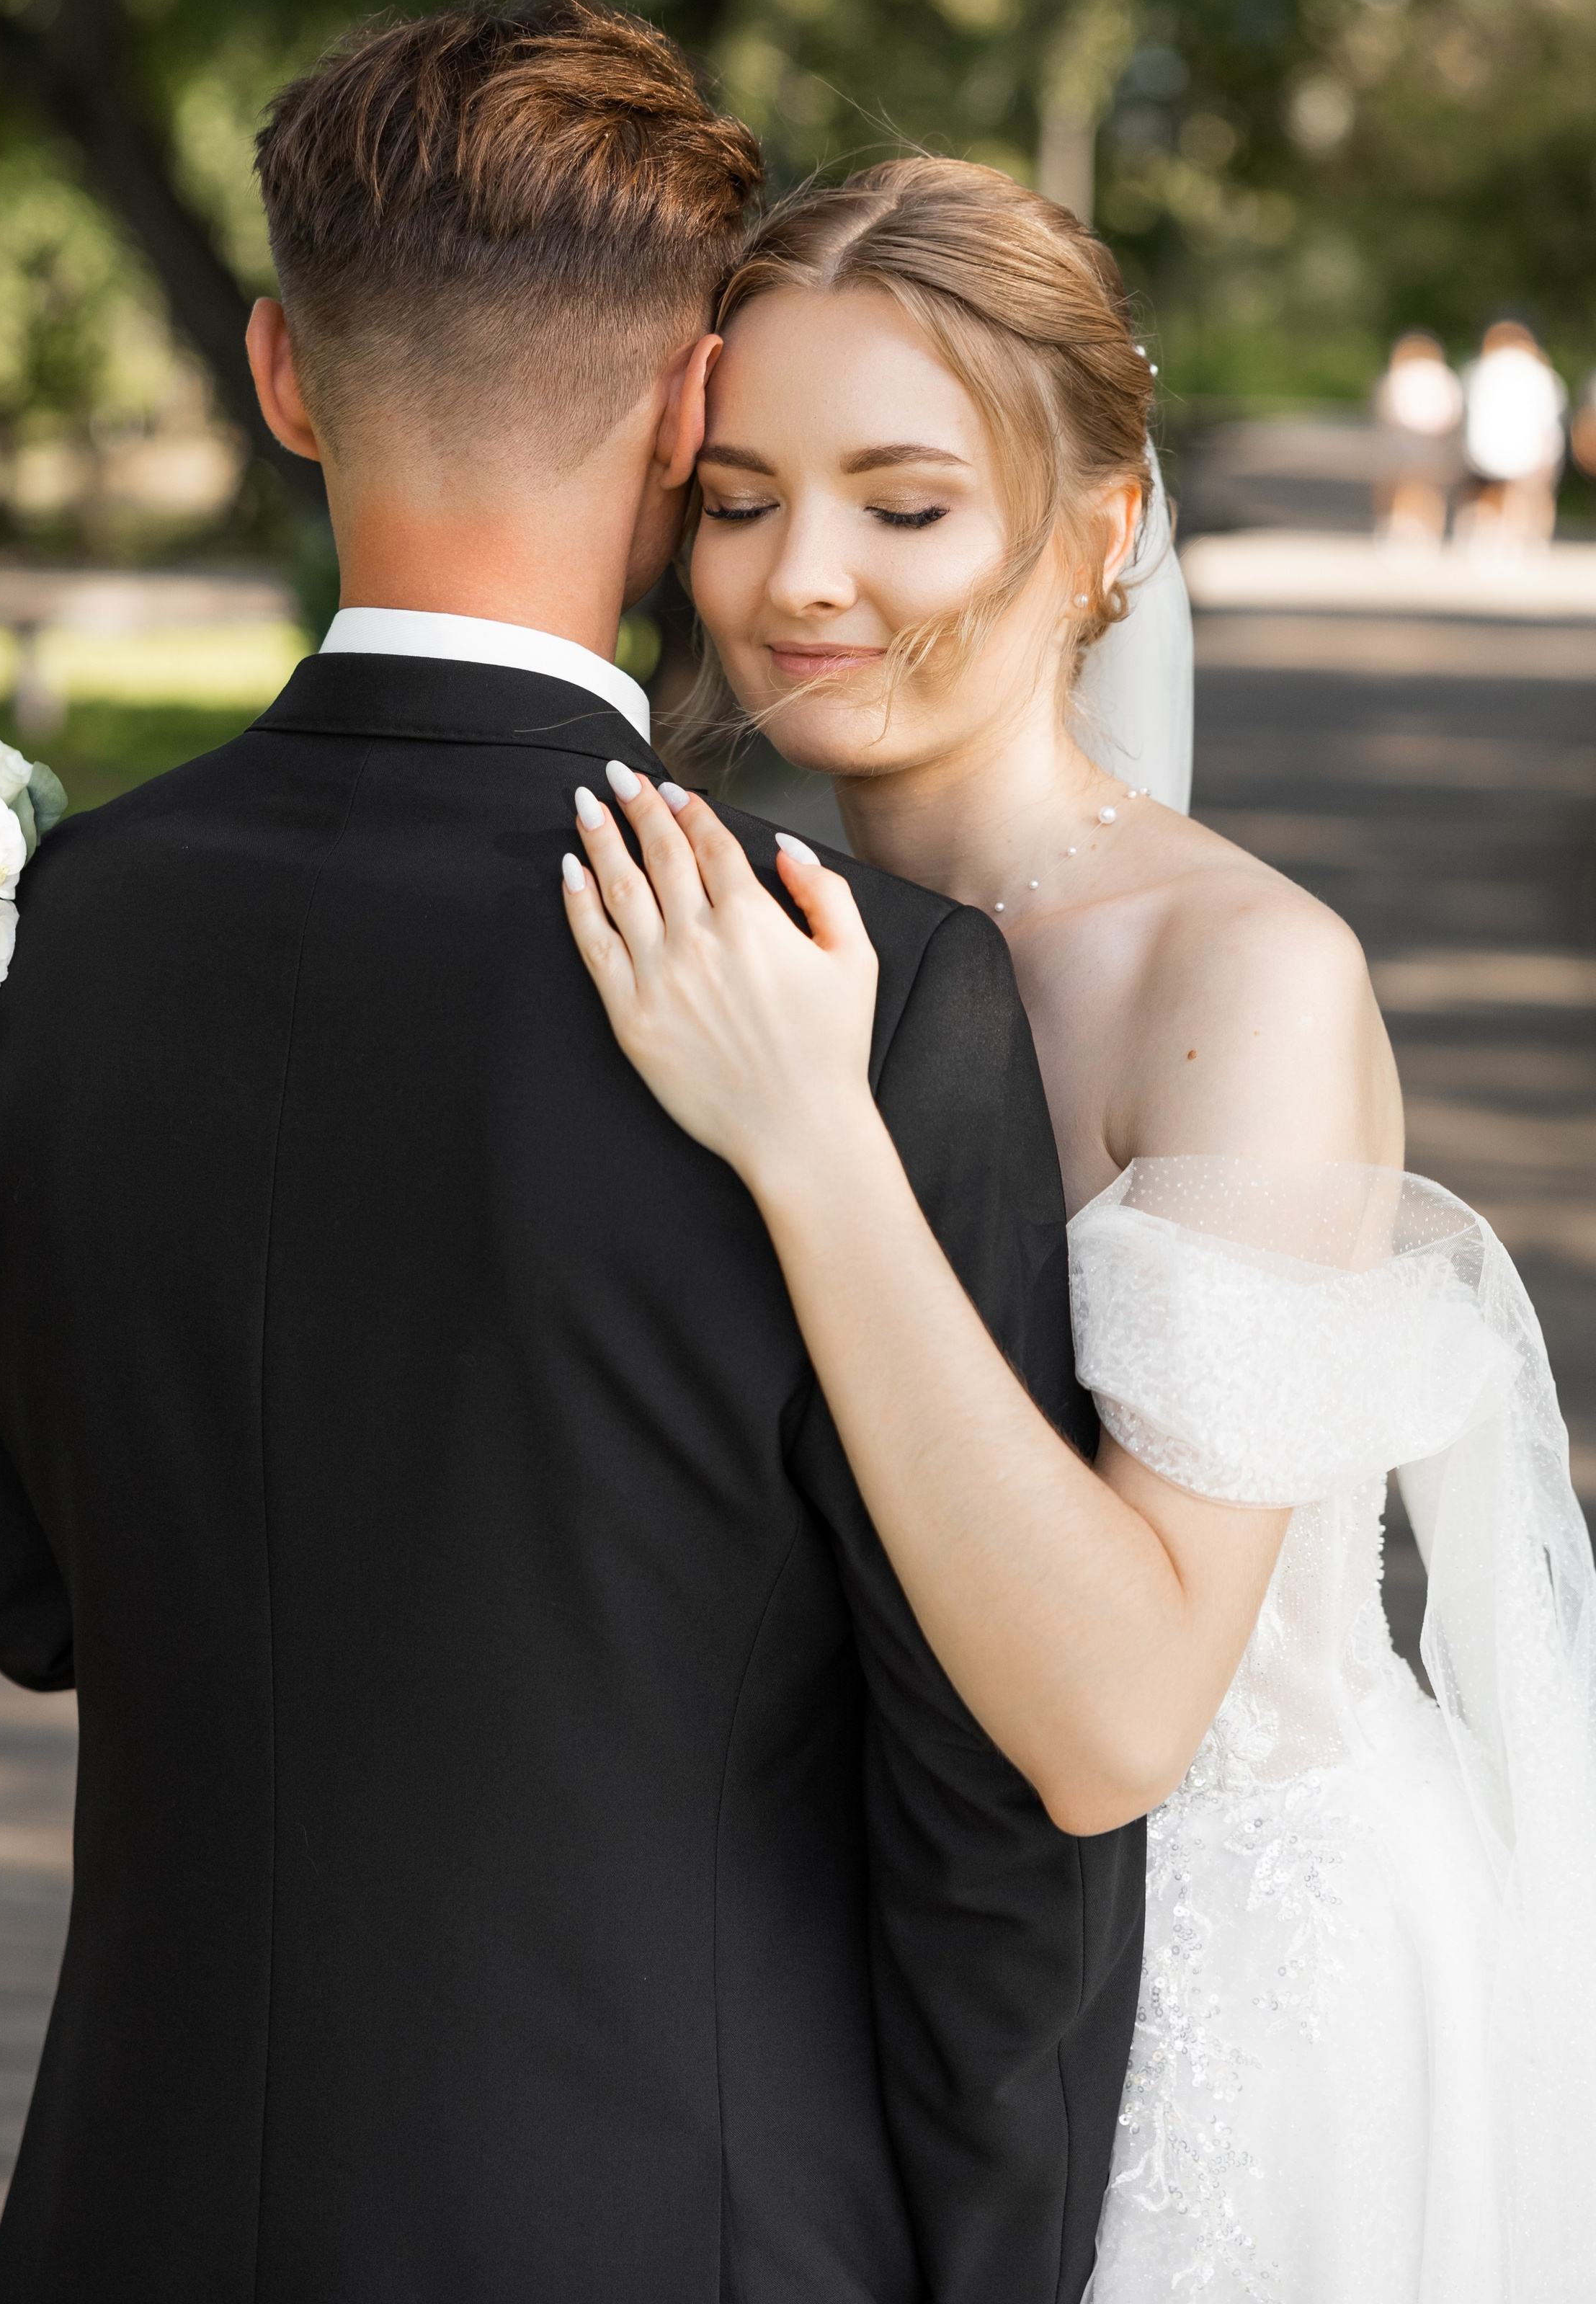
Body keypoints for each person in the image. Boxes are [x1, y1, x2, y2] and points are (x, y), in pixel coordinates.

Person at [0, 0, 1143, 2300]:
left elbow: (22, 1589)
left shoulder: (42, 920)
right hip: (681, 2226)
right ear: (692, 411)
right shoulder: (838, 974)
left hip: (128, 2208)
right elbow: (989, 1818)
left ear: (282, 373)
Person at [561, 157, 1596, 2302]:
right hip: (862, 1978)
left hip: (1219, 2036)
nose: (797, 576)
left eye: (902, 500)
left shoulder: (1241, 984)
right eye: (736, 495)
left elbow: (1119, 1712)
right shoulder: (721, 911)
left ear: (1098, 531)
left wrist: (808, 1136)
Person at [1458, 317, 1566, 550]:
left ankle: (1503, 537)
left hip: (1495, 447)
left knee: (1498, 493)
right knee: (1518, 494)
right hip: (1514, 446)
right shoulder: (1536, 371)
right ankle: (1523, 538)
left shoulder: (1481, 369)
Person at [1372, 329, 1463, 546]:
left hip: (1404, 441)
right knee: (1428, 488)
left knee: (1403, 486)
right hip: (1429, 441)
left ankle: (1397, 527)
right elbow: (1452, 411)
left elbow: (1386, 409)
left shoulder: (1398, 375)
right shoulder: (1441, 375)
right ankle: (1427, 530)